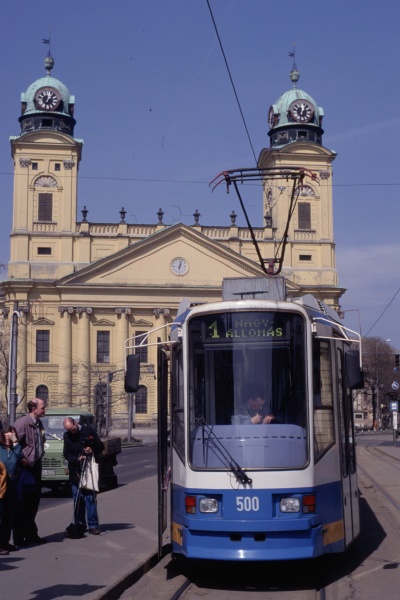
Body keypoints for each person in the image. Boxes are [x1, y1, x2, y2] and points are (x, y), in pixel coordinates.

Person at [13, 398, 47, 546]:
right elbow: (11, 442)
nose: (44, 410)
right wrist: (22, 458)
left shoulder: (39, 423)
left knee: (33, 503)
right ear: (34, 409)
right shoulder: (22, 423)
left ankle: (31, 534)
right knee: (22, 503)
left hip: (35, 466)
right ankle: (19, 538)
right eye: (42, 407)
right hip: (24, 469)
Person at [63, 417, 104, 536]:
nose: (72, 432)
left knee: (90, 498)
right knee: (78, 499)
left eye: (73, 429)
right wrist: (77, 459)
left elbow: (100, 446)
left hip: (89, 470)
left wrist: (91, 449)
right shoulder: (67, 436)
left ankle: (93, 525)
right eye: (70, 431)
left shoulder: (88, 431)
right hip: (75, 471)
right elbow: (66, 454)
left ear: (75, 423)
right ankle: (80, 524)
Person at [0, 425, 23, 552]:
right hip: (1, 485)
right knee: (0, 517)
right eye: (7, 434)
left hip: (12, 485)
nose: (9, 435)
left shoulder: (14, 450)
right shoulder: (0, 449)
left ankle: (5, 542)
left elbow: (20, 456)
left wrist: (15, 441)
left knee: (8, 516)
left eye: (11, 433)